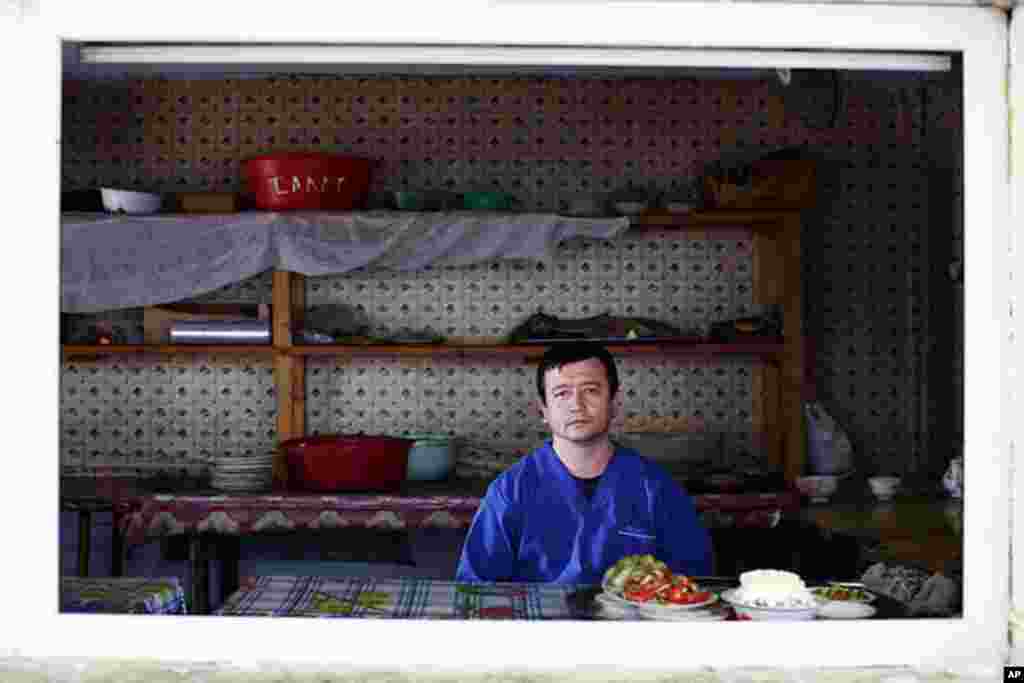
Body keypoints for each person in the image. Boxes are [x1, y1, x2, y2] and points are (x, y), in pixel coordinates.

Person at [455, 341, 713, 584]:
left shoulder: (657, 488)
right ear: (543, 410)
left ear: (614, 403)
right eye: (562, 393)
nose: (576, 405)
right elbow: (476, 591)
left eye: (591, 391)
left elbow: (693, 586)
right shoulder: (509, 491)